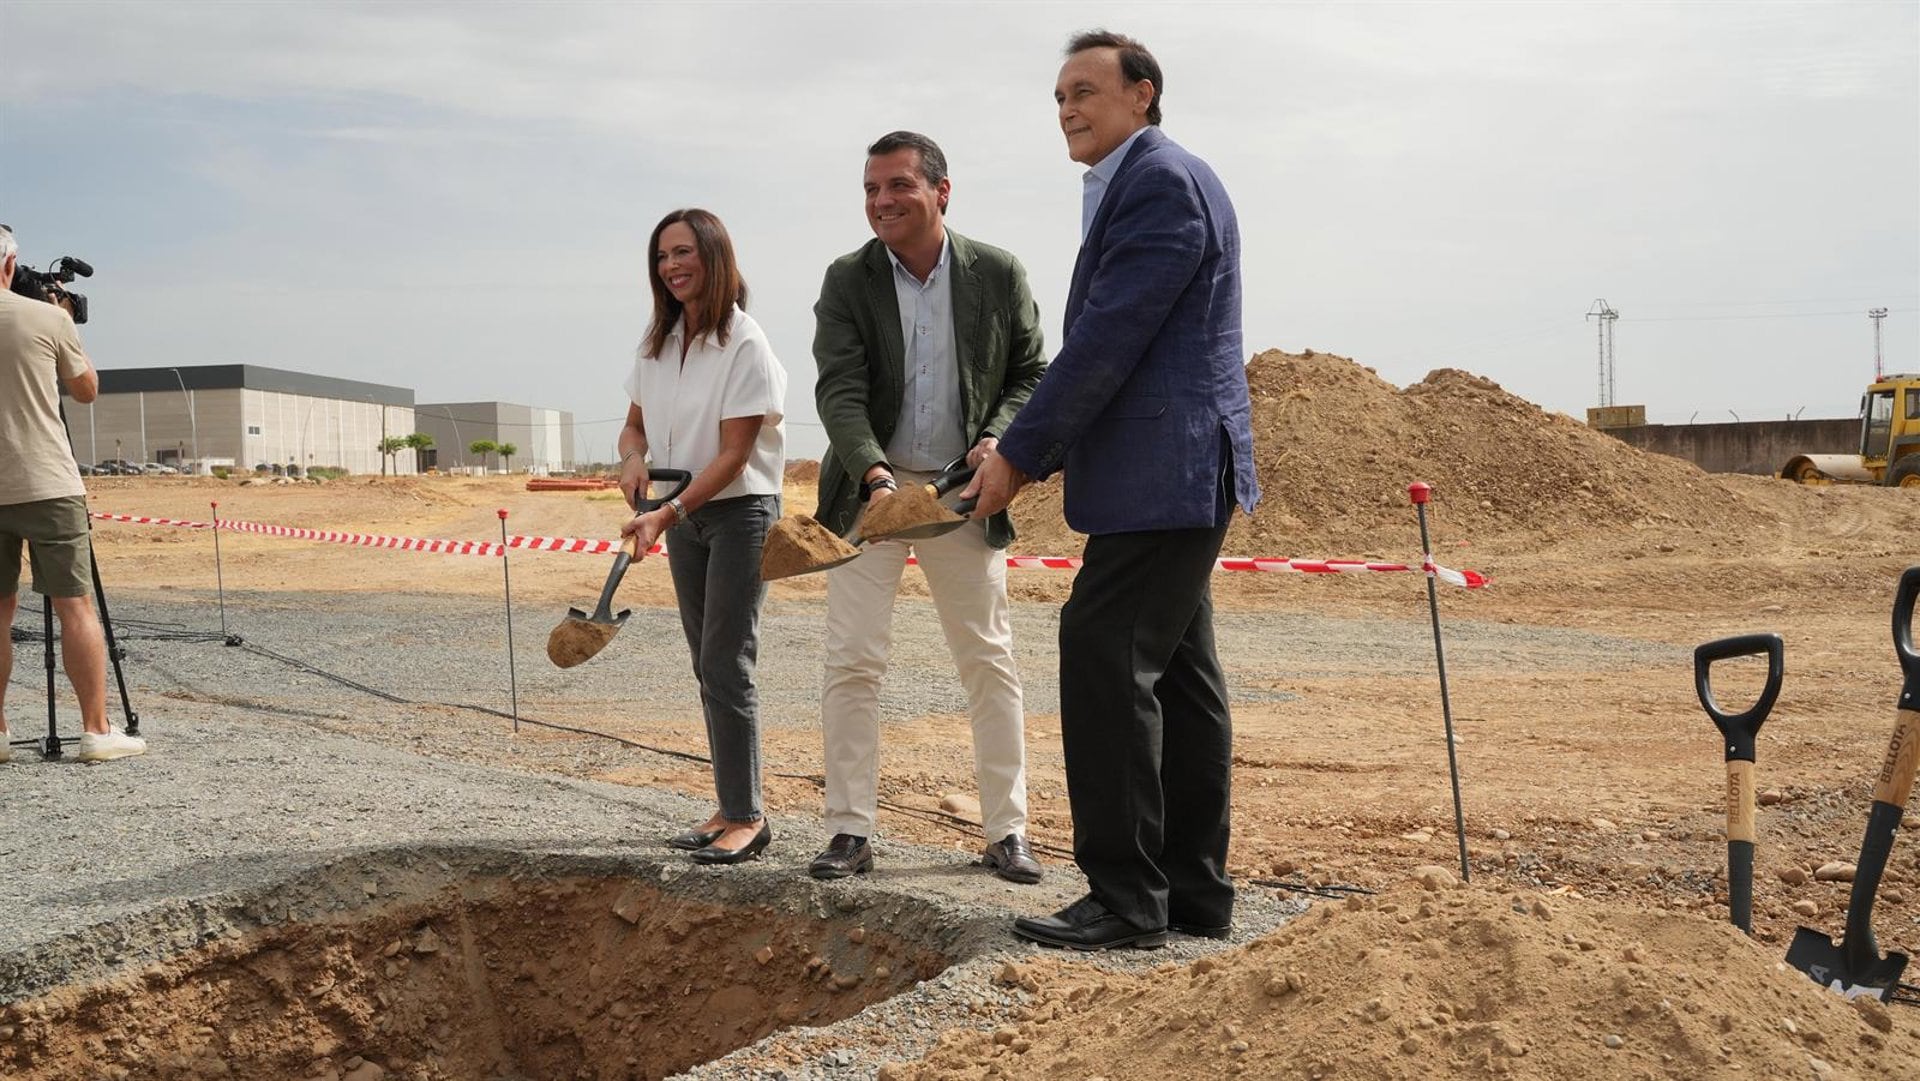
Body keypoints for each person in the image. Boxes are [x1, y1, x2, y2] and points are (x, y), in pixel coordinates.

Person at [965, 31, 1260, 949]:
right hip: (1169, 473)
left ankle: (1127, 897)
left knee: (1102, 648)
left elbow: (1108, 338)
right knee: (1178, 674)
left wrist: (1019, 451)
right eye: (1059, 95)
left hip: (1163, 470)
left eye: (1086, 90)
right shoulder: (1146, 181)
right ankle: (1192, 894)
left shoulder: (1161, 182)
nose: (1068, 108)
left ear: (1143, 94)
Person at [809, 131, 1049, 884]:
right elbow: (838, 389)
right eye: (871, 189)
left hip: (962, 494)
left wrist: (998, 442)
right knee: (852, 659)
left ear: (942, 191)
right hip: (867, 492)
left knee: (987, 658)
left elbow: (1030, 373)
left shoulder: (998, 273)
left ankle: (1007, 831)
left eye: (899, 186)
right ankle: (849, 829)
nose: (882, 201)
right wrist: (876, 476)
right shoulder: (848, 279)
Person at [617, 208, 787, 865]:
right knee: (704, 662)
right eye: (662, 256)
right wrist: (632, 458)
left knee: (726, 659)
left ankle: (748, 815)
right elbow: (634, 425)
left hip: (739, 511)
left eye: (684, 252)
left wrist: (667, 513)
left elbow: (735, 455)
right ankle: (727, 807)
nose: (671, 266)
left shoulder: (744, 342)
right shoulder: (657, 341)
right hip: (681, 512)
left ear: (714, 258)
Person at [0, 224, 147, 764]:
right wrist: (59, 317)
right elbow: (85, 392)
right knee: (75, 607)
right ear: (10, 265)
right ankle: (96, 730)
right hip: (45, 482)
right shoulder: (48, 319)